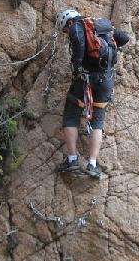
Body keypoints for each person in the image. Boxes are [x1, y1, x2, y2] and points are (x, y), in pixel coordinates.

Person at [56, 9, 130, 178]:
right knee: (98, 120)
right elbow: (125, 38)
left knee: (71, 115)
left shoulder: (76, 26)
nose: (67, 33)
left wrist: (78, 66)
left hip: (85, 79)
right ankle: (92, 164)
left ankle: (72, 160)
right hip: (106, 80)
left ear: (68, 22)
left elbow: (79, 44)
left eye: (65, 30)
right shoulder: (101, 25)